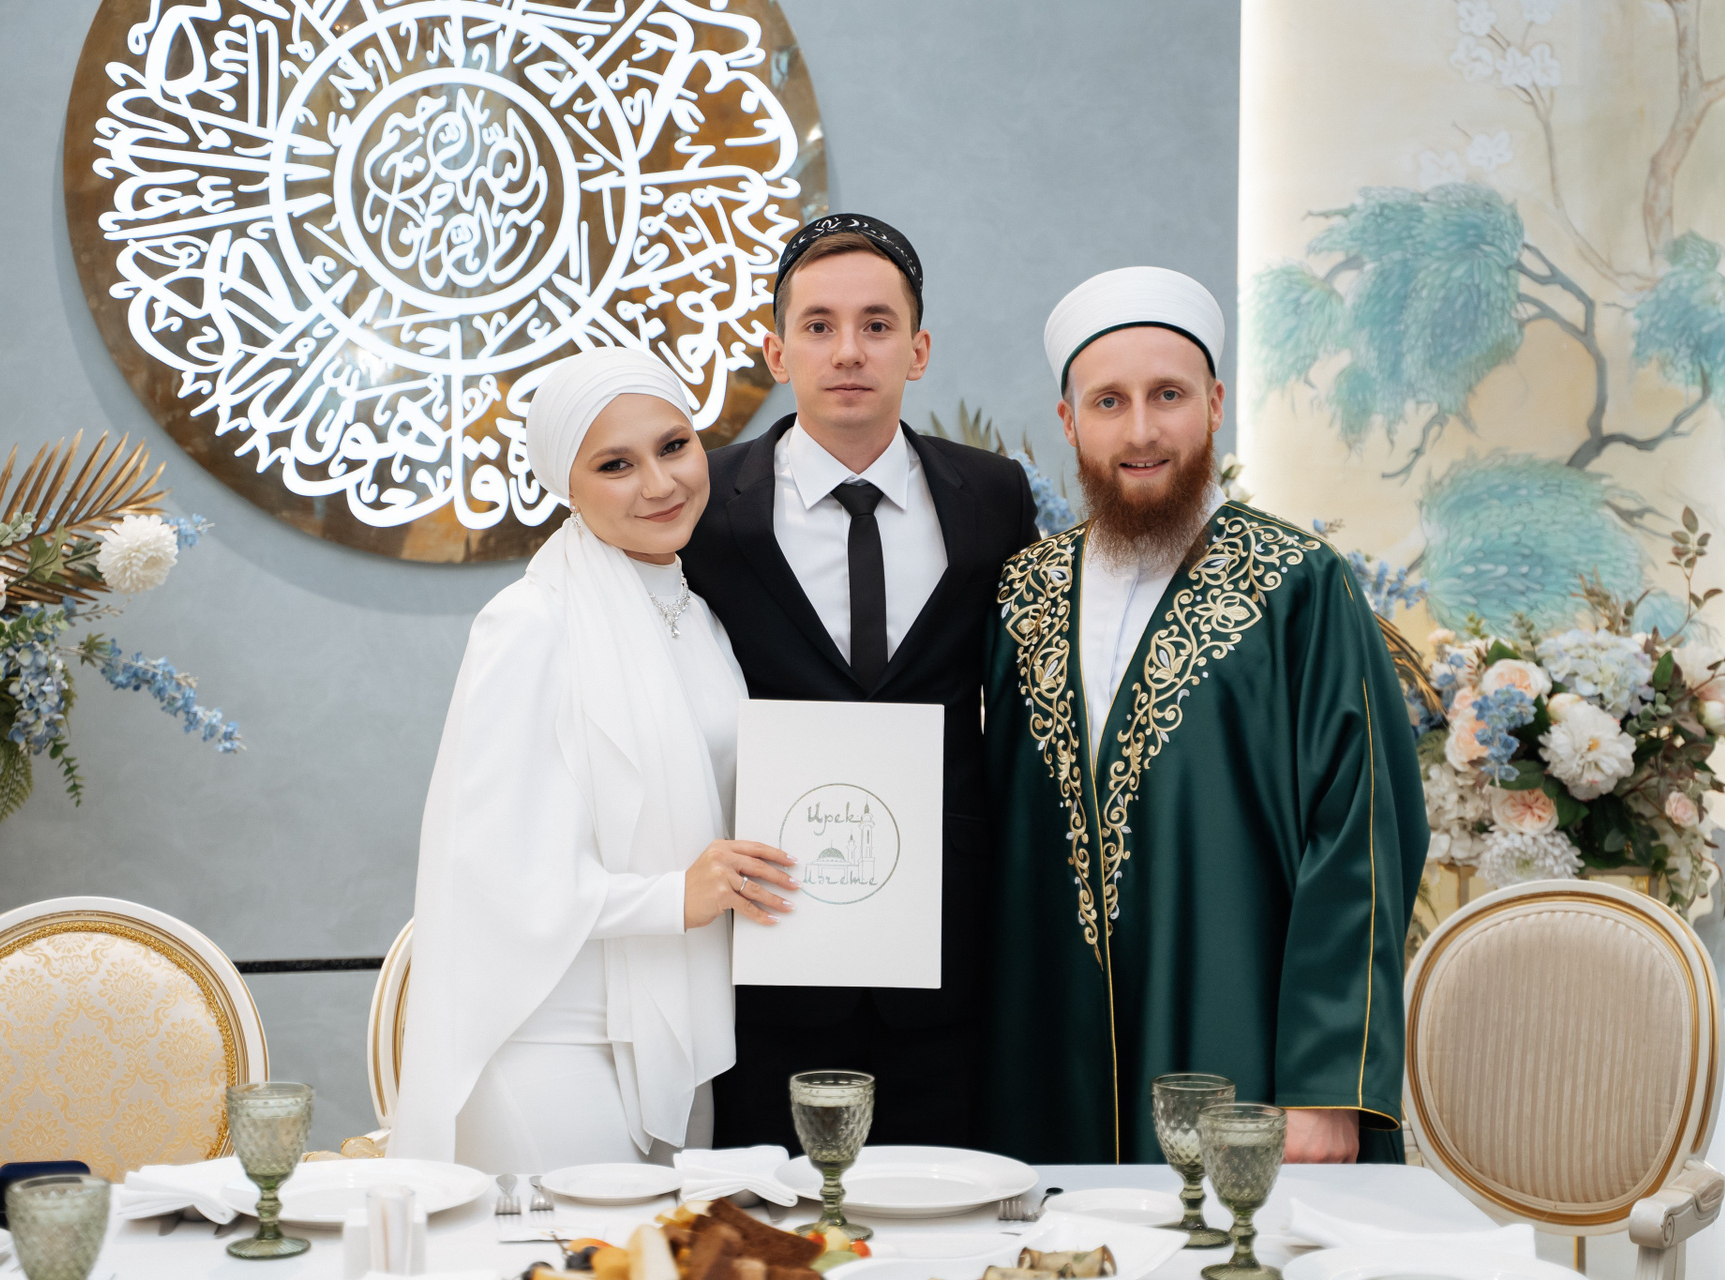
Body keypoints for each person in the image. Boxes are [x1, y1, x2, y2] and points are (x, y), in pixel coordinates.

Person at [980, 266, 1428, 1165]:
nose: (1141, 431)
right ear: (1069, 422)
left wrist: (1325, 1086)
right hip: (1049, 1057)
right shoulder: (1024, 592)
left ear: (1215, 405)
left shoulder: (1299, 586)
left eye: (1169, 395)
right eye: (1109, 402)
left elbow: (1362, 838)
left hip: (1248, 1065)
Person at [391, 348, 800, 1174]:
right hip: (551, 1034)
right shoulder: (530, 622)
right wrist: (674, 896)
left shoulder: (702, 621)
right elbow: (488, 868)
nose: (659, 483)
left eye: (674, 446)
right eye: (616, 465)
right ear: (565, 486)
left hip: (675, 1012)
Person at [681, 214, 1040, 1148]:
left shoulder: (993, 496)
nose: (849, 350)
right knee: (771, 1212)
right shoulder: (707, 506)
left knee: (946, 1205)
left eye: (878, 325)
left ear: (918, 350)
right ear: (777, 351)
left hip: (946, 953)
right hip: (769, 944)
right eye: (819, 325)